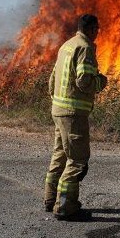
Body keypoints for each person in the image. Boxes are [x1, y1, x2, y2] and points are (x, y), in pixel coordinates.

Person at [43, 14, 108, 221]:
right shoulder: (85, 47)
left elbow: (52, 80)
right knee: (78, 160)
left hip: (59, 110)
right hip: (73, 113)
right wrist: (101, 82)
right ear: (90, 29)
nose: (98, 32)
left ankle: (50, 198)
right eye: (97, 28)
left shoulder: (66, 45)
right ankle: (65, 206)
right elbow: (84, 81)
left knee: (60, 155)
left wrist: (57, 102)